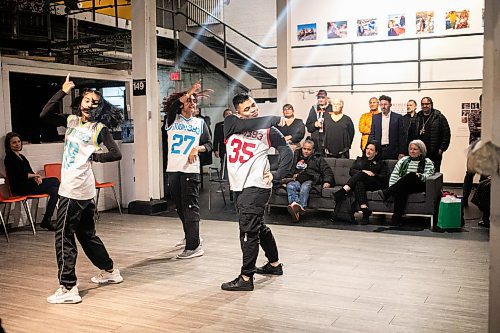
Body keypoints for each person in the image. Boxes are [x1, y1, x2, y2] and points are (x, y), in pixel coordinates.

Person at [41, 74, 124, 304]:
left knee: (64, 236)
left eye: (94, 101)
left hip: (75, 189)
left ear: (99, 107)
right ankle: (110, 271)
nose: (89, 103)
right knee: (86, 235)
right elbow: (44, 115)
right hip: (82, 189)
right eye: (86, 99)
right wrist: (63, 90)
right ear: (80, 103)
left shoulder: (99, 129)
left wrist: (94, 158)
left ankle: (68, 287)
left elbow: (116, 153)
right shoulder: (71, 121)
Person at [221, 92, 293, 291]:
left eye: (253, 105)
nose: (252, 110)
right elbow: (248, 125)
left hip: (256, 186)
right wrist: (277, 119)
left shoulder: (269, 131)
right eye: (247, 109)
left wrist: (278, 175)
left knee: (248, 231)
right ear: (238, 113)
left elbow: (287, 151)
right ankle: (274, 265)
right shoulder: (231, 123)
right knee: (258, 226)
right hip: (239, 186)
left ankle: (246, 278)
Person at [163, 81, 213, 259]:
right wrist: (191, 91)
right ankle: (191, 236)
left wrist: (196, 149)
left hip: (190, 169)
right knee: (180, 207)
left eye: (195, 101)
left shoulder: (200, 123)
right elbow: (175, 105)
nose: (193, 104)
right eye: (189, 100)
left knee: (191, 207)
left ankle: (194, 246)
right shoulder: (171, 120)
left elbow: (208, 144)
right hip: (173, 169)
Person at [3, 132, 59, 231]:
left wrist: (36, 178)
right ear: (9, 144)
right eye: (14, 142)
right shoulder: (9, 158)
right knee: (54, 180)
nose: (17, 144)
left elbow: (30, 171)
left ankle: (46, 220)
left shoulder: (22, 157)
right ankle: (54, 217)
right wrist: (35, 175)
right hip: (20, 187)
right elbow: (19, 175)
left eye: (19, 141)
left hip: (29, 185)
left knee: (54, 190)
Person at [378, 140, 435, 225]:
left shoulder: (427, 161)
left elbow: (428, 175)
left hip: (419, 184)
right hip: (404, 185)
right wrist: (393, 186)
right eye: (410, 149)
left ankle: (388, 192)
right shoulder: (404, 160)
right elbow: (395, 174)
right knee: (402, 189)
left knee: (411, 175)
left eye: (415, 149)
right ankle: (396, 218)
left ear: (421, 150)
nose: (412, 151)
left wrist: (419, 175)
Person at [333, 141, 388, 225]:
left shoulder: (381, 163)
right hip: (363, 184)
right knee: (359, 183)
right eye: (367, 149)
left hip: (375, 183)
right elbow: (351, 171)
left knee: (361, 175)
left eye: (371, 150)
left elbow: (384, 177)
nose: (368, 151)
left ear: (376, 152)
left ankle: (343, 191)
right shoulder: (360, 160)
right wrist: (364, 172)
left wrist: (374, 174)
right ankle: (365, 210)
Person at [284, 138, 334, 222]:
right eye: (304, 149)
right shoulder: (295, 156)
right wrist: (285, 179)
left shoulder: (318, 158)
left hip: (311, 179)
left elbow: (327, 170)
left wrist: (327, 181)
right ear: (302, 148)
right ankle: (294, 206)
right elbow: (289, 169)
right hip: (297, 179)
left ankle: (301, 207)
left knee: (305, 187)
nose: (306, 151)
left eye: (308, 149)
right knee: (290, 186)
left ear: (313, 150)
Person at [414, 97, 451, 172]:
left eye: (427, 104)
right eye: (423, 104)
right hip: (420, 152)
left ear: (431, 105)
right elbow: (412, 133)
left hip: (434, 152)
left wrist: (442, 148)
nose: (425, 106)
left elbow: (446, 134)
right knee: (419, 173)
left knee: (434, 174)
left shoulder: (439, 117)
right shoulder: (417, 117)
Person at [462, 95, 485, 207]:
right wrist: (486, 129)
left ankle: (481, 201)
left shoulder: (493, 116)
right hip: (474, 148)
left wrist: (480, 128)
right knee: (469, 174)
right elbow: (473, 130)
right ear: (480, 101)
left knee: (485, 176)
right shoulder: (473, 114)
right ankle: (464, 199)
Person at [368, 95, 405, 160]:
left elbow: (401, 136)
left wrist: (402, 152)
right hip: (378, 150)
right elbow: (372, 134)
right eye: (381, 104)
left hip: (393, 150)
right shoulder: (375, 117)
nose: (383, 106)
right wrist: (370, 149)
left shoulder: (398, 117)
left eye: (385, 104)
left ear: (390, 105)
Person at [306, 89, 332, 155]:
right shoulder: (314, 109)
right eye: (319, 97)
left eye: (323, 98)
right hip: (316, 140)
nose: (320, 99)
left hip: (328, 139)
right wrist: (315, 124)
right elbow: (308, 126)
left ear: (326, 98)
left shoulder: (331, 108)